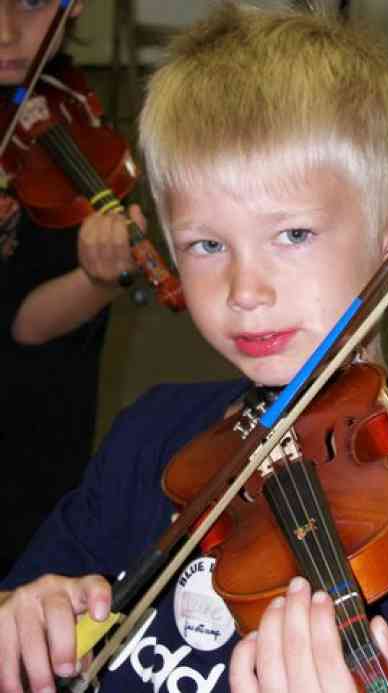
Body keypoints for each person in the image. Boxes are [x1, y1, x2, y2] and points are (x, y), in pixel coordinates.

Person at [0, 3, 388, 692]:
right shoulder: (154, 435)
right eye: (206, 244)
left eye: (292, 234)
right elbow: (24, 602)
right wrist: (26, 615)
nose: (244, 288)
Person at [0, 0, 142, 576]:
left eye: (32, 3)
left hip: (31, 418)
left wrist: (97, 278)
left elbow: (26, 324)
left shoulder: (70, 102)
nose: (6, 33)